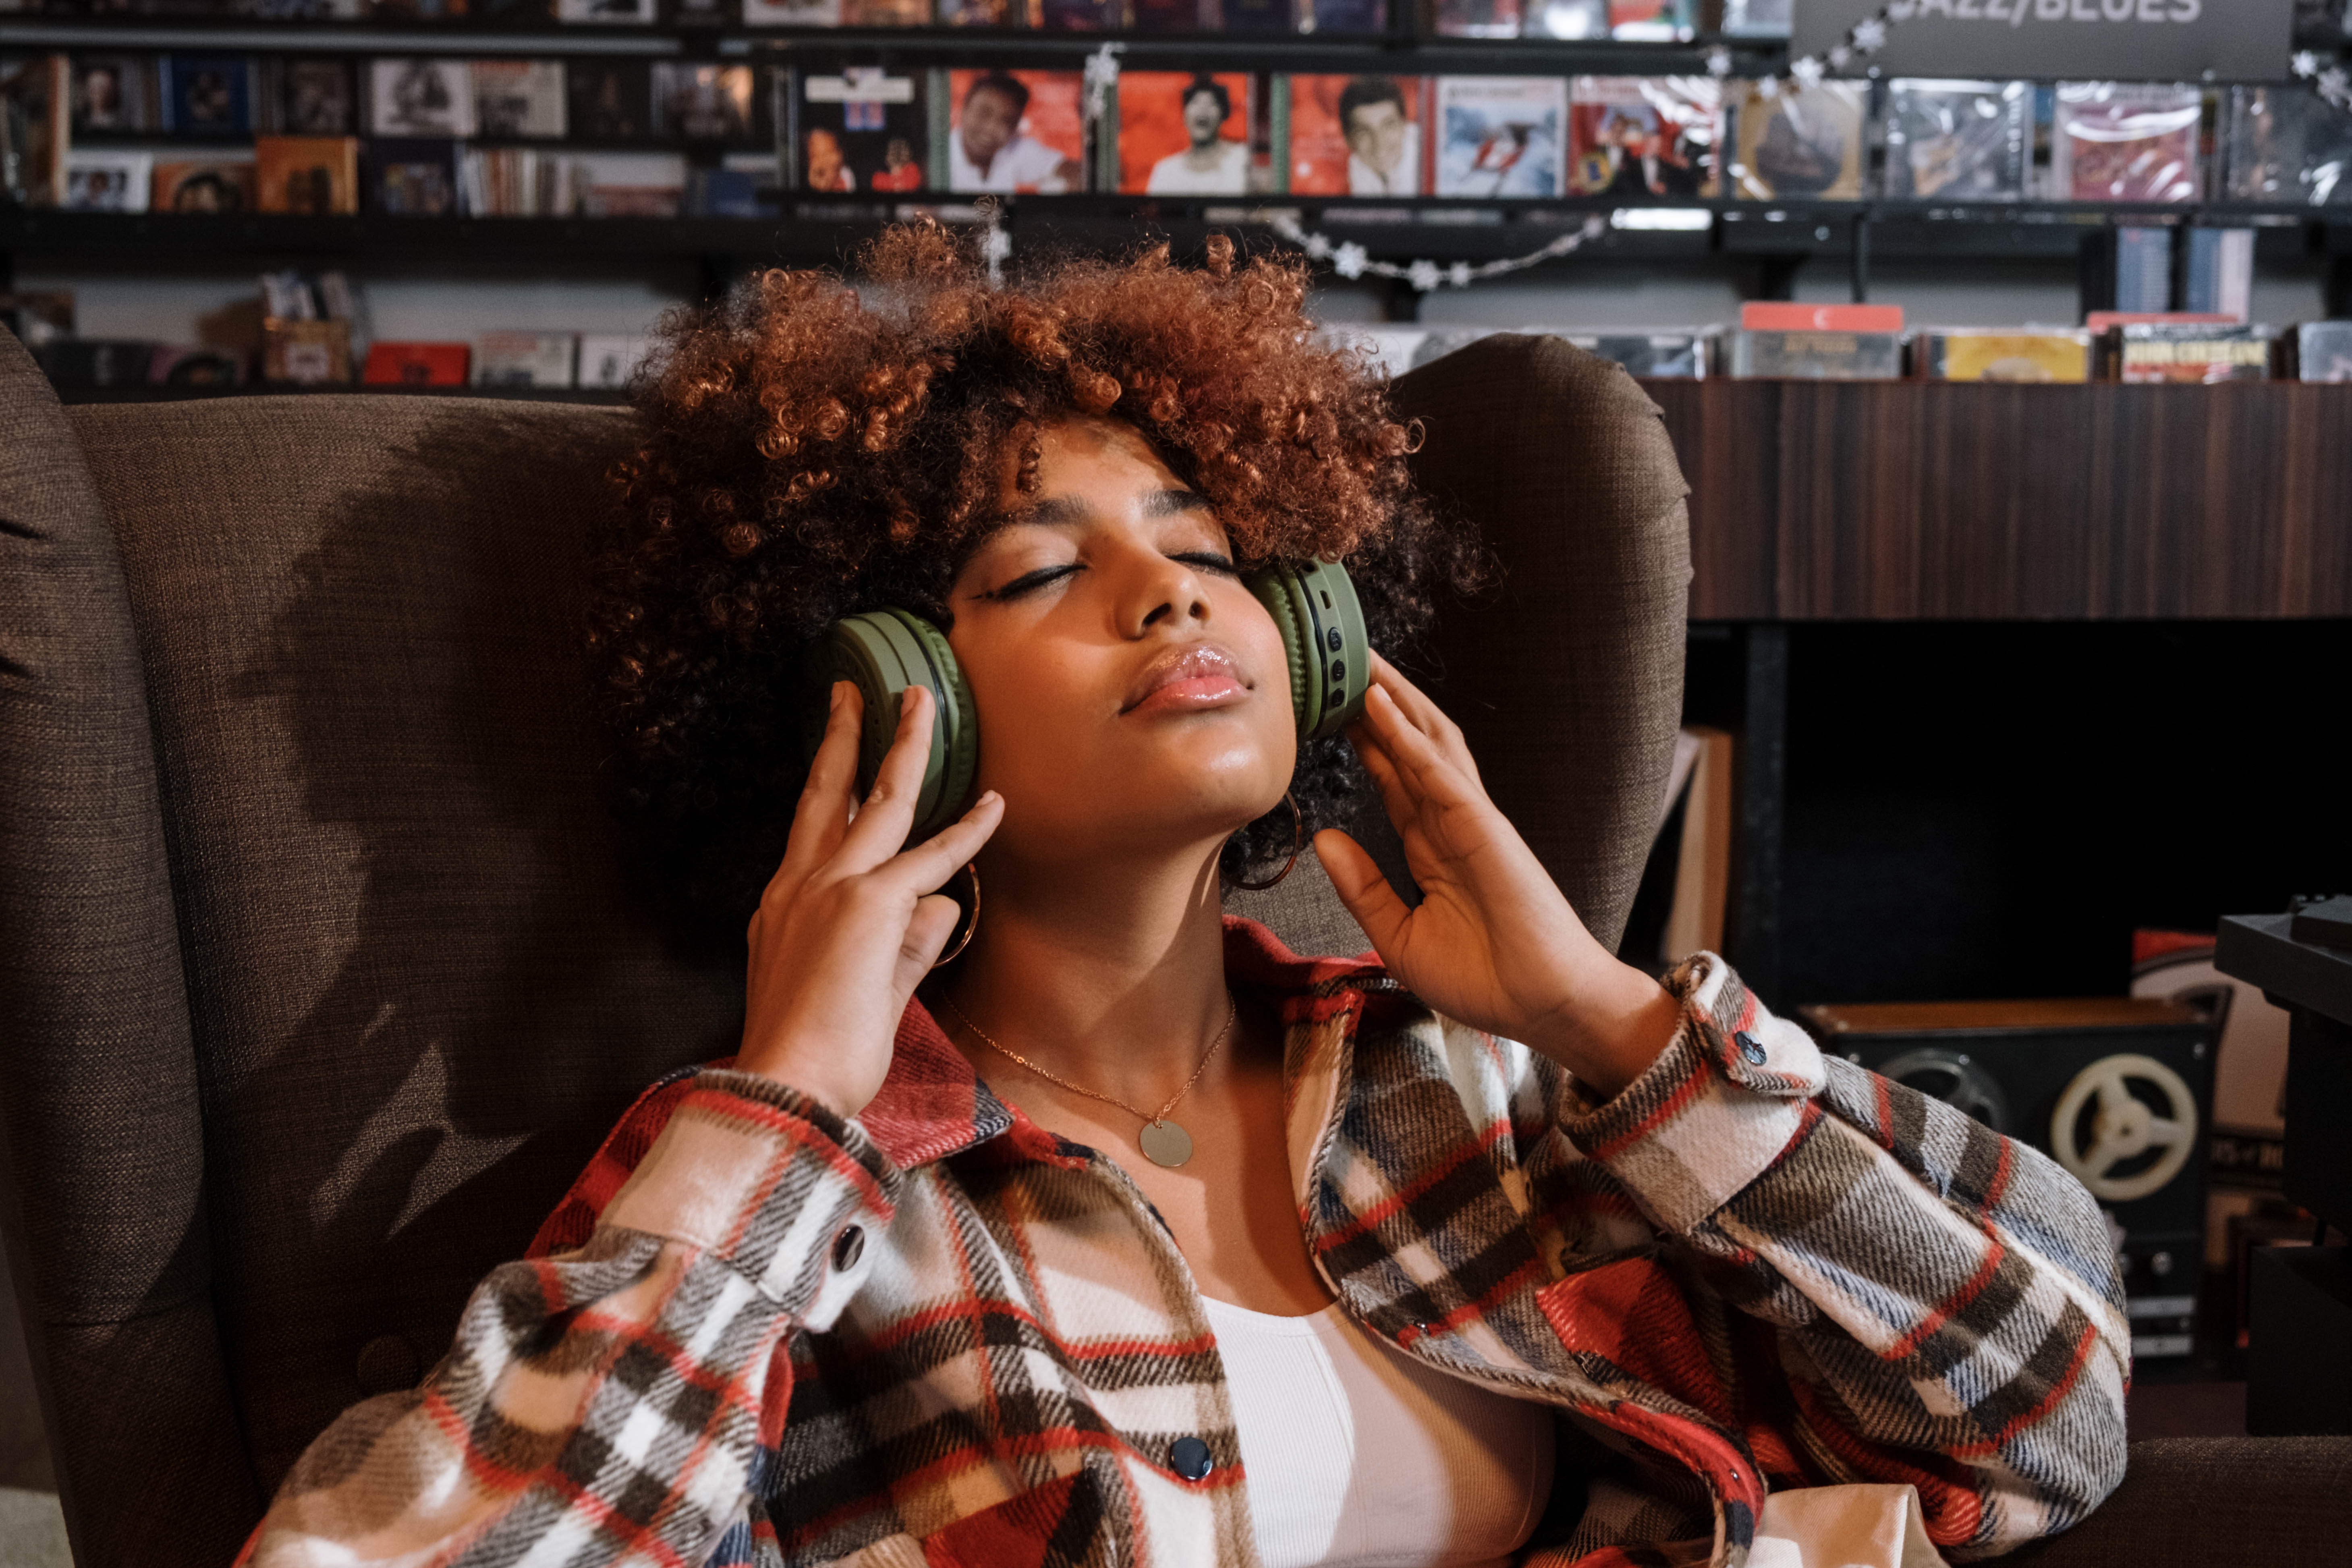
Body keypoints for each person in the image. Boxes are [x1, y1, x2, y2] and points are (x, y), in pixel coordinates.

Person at [237, 224, 2128, 1568]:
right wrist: (797, 1100)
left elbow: (2054, 1412)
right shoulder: (797, 1199)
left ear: (1303, 629)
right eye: (1042, 569)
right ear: (890, 697)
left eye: (1211, 549)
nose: (1172, 599)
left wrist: (1609, 1020)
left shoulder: (1475, 1092)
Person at [950, 70, 1081, 194]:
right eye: (984, 113)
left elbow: (1073, 170)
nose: (992, 129)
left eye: (1006, 121)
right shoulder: (939, 157)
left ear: (1015, 128)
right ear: (964, 109)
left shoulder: (1013, 149)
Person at [1146, 73, 1251, 195]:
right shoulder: (1166, 172)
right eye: (1195, 102)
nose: (1203, 109)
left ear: (1223, 115)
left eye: (1212, 103)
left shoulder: (1244, 159)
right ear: (1184, 114)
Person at [1338, 76, 1419, 197]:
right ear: (1348, 140)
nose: (1379, 144)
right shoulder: (1357, 165)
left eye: (1388, 126)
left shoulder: (1427, 161)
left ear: (1404, 125)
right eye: (1364, 132)